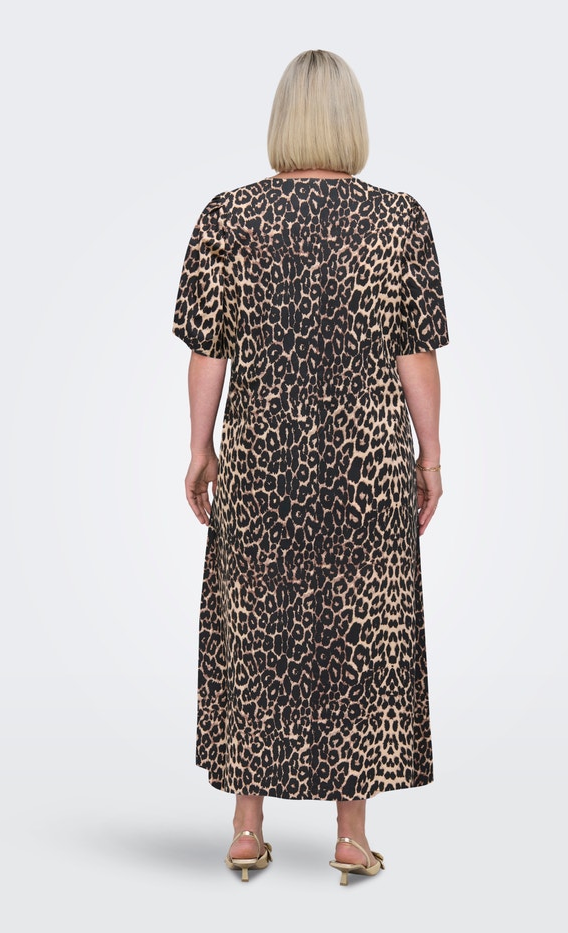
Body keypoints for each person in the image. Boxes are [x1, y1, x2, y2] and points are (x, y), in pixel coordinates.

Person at [172, 49, 449, 885]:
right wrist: (431, 453)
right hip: (366, 462)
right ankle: (350, 838)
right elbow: (415, 351)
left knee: (255, 627)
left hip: (262, 458)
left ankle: (246, 827)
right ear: (350, 122)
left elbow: (208, 349)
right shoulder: (398, 220)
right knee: (361, 633)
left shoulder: (228, 217)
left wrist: (200, 446)